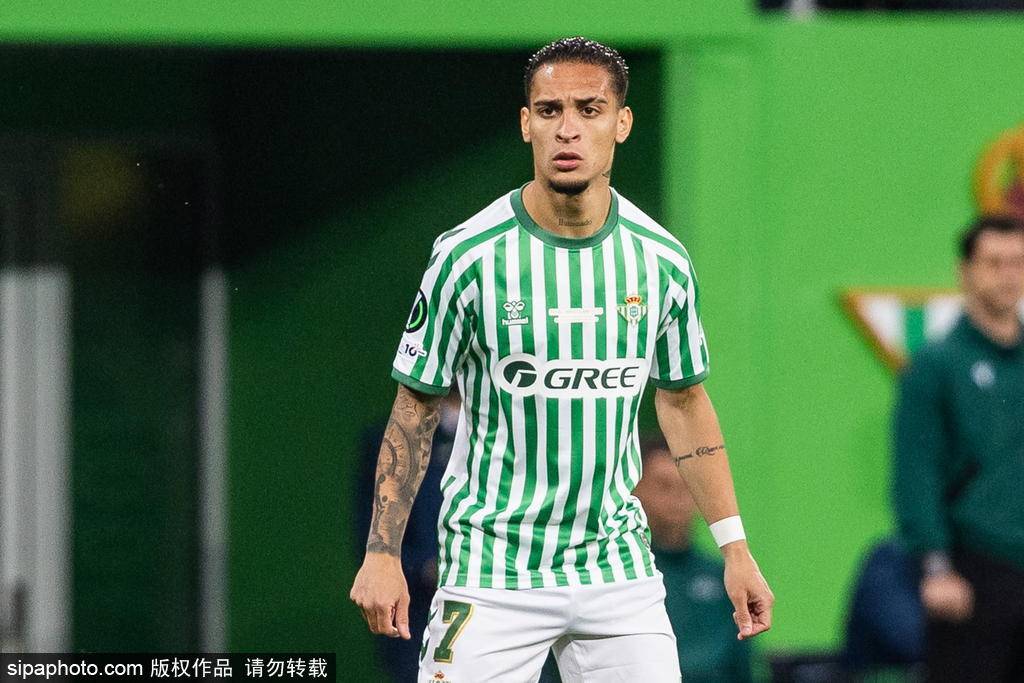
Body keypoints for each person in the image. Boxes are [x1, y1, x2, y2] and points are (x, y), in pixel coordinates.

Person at [350, 37, 774, 682]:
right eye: (549, 111)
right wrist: (382, 552)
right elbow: (416, 408)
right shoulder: (468, 258)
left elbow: (684, 401)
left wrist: (735, 548)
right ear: (527, 124)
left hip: (618, 572)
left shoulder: (661, 261)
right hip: (493, 571)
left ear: (621, 123)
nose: (567, 129)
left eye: (588, 109)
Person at [892, 215, 1024, 682]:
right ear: (964, 272)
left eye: (1018, 263)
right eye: (994, 263)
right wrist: (935, 567)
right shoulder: (937, 364)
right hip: (972, 573)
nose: (1008, 274)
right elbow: (915, 472)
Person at [355, 390, 461, 681]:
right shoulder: (387, 442)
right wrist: (423, 567)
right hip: (417, 610)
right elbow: (367, 531)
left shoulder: (516, 435)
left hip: (504, 592)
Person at [633, 435, 754, 683]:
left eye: (686, 487)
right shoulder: (623, 576)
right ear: (635, 491)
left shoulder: (722, 577)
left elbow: (744, 664)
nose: (677, 499)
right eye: (664, 486)